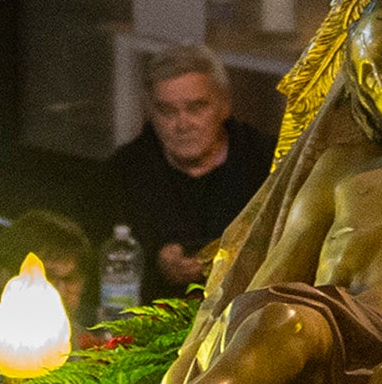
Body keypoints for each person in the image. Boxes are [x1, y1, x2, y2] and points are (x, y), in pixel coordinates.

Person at [109, 48, 276, 302]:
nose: (182, 124)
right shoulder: (123, 171)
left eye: (196, 108)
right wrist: (155, 262)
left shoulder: (269, 163)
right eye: (167, 111)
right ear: (151, 113)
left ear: (224, 106)